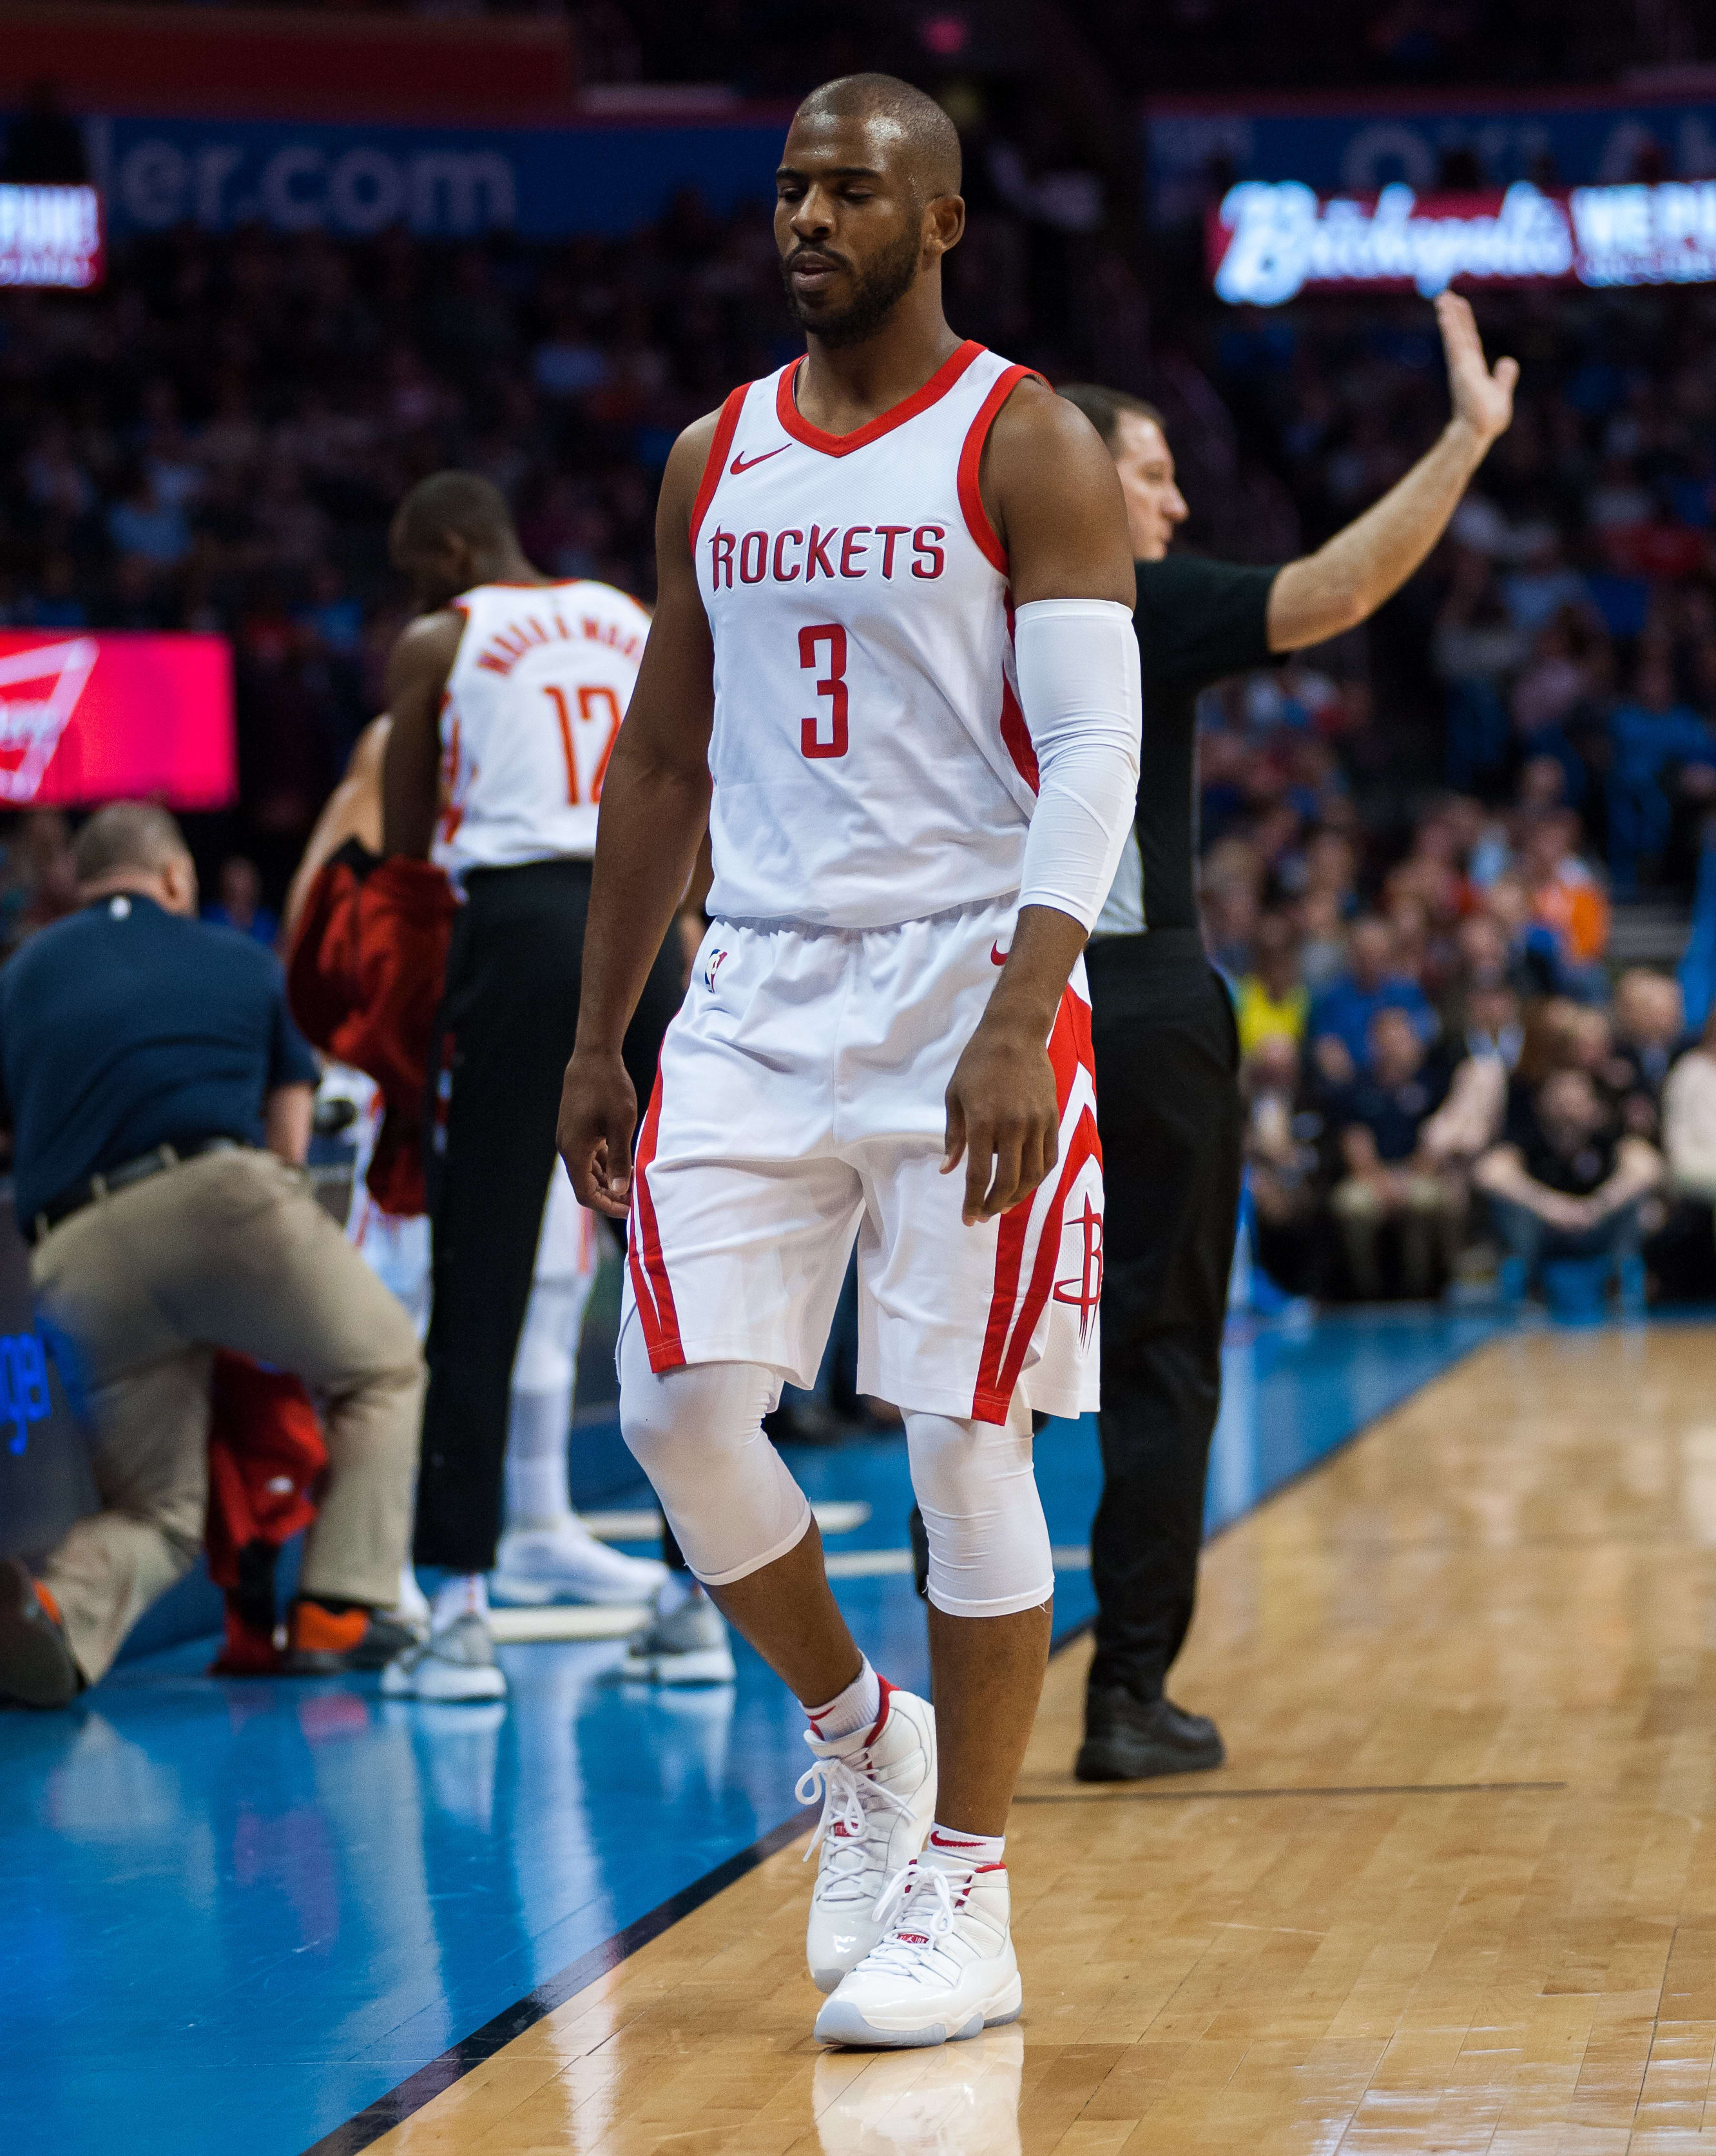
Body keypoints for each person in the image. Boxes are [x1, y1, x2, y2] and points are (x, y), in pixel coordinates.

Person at [557, 72, 1140, 2050]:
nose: (806, 218)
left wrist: (1014, 1004)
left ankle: (963, 1892)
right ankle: (858, 1737)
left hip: (966, 975)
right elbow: (652, 757)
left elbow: (1088, 756)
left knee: (958, 1435)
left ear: (941, 221)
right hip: (753, 989)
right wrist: (594, 1033)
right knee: (671, 1408)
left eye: (849, 191)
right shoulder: (709, 452)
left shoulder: (1027, 439)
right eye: (790, 188)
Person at [1058, 286, 1517, 1782]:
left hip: (968, 1010)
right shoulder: (1129, 602)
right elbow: (1336, 585)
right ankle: (1125, 1693)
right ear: (1078, 481)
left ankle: (942, 1709)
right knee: (1163, 1354)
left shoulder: (936, 609)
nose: (1180, 499)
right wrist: (1462, 441)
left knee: (967, 1374)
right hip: (1131, 999)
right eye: (1152, 472)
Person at [0, 804, 423, 1706]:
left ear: (80, 880)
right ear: (176, 879)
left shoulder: (24, 972)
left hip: (73, 1255)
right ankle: (335, 1608)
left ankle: (50, 1603)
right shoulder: (237, 957)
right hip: (223, 1202)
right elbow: (288, 1142)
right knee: (385, 1365)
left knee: (159, 1513)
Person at [380, 476, 689, 1702]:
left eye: (415, 565)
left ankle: (457, 1611)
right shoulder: (628, 615)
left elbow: (407, 846)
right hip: (651, 927)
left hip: (514, 930)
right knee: (675, 1254)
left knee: (485, 1257)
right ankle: (693, 1598)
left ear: (450, 551)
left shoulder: (439, 637)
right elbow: (690, 774)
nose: (411, 589)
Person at [285, 720, 674, 1635]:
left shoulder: (583, 729)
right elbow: (328, 886)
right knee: (422, 1286)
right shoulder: (405, 738)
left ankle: (539, 1521)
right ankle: (389, 1552)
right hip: (437, 1031)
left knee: (551, 1277)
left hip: (537, 1014)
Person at [1474, 1067, 1661, 1297]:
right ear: (1543, 1104)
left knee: (1640, 1207)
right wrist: (1550, 1207)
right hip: (1544, 1234)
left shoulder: (1607, 1139)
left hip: (1598, 1229)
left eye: (1576, 1104)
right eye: (1561, 1104)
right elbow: (1490, 1172)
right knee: (1513, 1211)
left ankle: (1619, 1285)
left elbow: (1647, 1166)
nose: (1569, 1113)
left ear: (1594, 1106)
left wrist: (1599, 1205)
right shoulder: (1530, 1141)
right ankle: (1529, 1290)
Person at [1327, 1007, 1457, 1301]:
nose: (1393, 1045)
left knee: (1425, 1201)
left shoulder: (1432, 1083)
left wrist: (1409, 1179)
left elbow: (1438, 1139)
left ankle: (1423, 1289)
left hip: (1421, 1171)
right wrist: (1382, 1183)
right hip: (1371, 1174)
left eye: (1400, 1036)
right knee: (1352, 1205)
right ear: (1373, 1044)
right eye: (1385, 1038)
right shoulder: (1357, 1086)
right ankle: (1366, 1291)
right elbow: (1355, 1143)